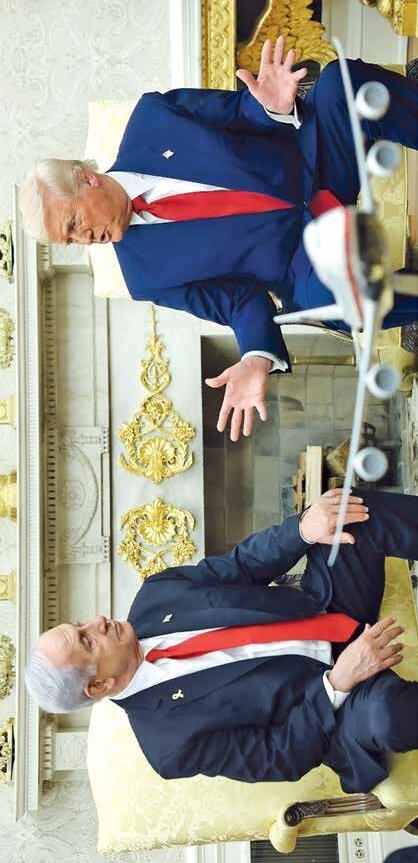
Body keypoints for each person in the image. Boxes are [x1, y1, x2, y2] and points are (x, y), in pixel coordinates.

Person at [18, 39, 418, 440]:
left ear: (86, 180)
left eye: (74, 223)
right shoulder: (145, 277)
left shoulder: (153, 119)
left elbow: (241, 114)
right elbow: (239, 302)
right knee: (334, 300)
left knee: (338, 83)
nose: (84, 239)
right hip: (300, 261)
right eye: (71, 241)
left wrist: (272, 108)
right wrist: (255, 356)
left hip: (311, 164)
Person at [26, 487, 418, 794]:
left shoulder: (156, 595)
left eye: (80, 623)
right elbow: (278, 755)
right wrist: (337, 684)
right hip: (336, 709)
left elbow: (242, 565)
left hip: (323, 608)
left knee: (349, 513)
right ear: (98, 686)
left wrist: (302, 529)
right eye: (86, 640)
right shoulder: (168, 743)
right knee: (387, 714)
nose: (97, 622)